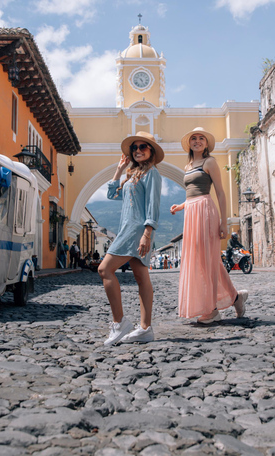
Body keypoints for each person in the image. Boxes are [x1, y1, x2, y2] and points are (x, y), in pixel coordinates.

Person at [171, 127, 248, 324]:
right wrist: (181, 206)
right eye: (194, 138)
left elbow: (220, 193)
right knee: (204, 260)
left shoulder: (209, 161)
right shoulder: (188, 166)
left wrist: (224, 222)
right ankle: (236, 298)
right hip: (191, 213)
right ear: (189, 143)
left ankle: (212, 310)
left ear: (206, 143)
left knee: (206, 260)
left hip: (205, 211)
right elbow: (192, 194)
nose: (197, 141)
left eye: (201, 138)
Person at [98, 132, 163, 345]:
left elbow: (153, 205)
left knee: (105, 269)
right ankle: (145, 328)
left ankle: (120, 323)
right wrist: (118, 170)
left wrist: (147, 233)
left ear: (151, 151)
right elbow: (111, 195)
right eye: (134, 147)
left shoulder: (152, 173)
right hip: (128, 227)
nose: (138, 150)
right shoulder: (132, 175)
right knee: (141, 276)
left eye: (143, 146)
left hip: (137, 230)